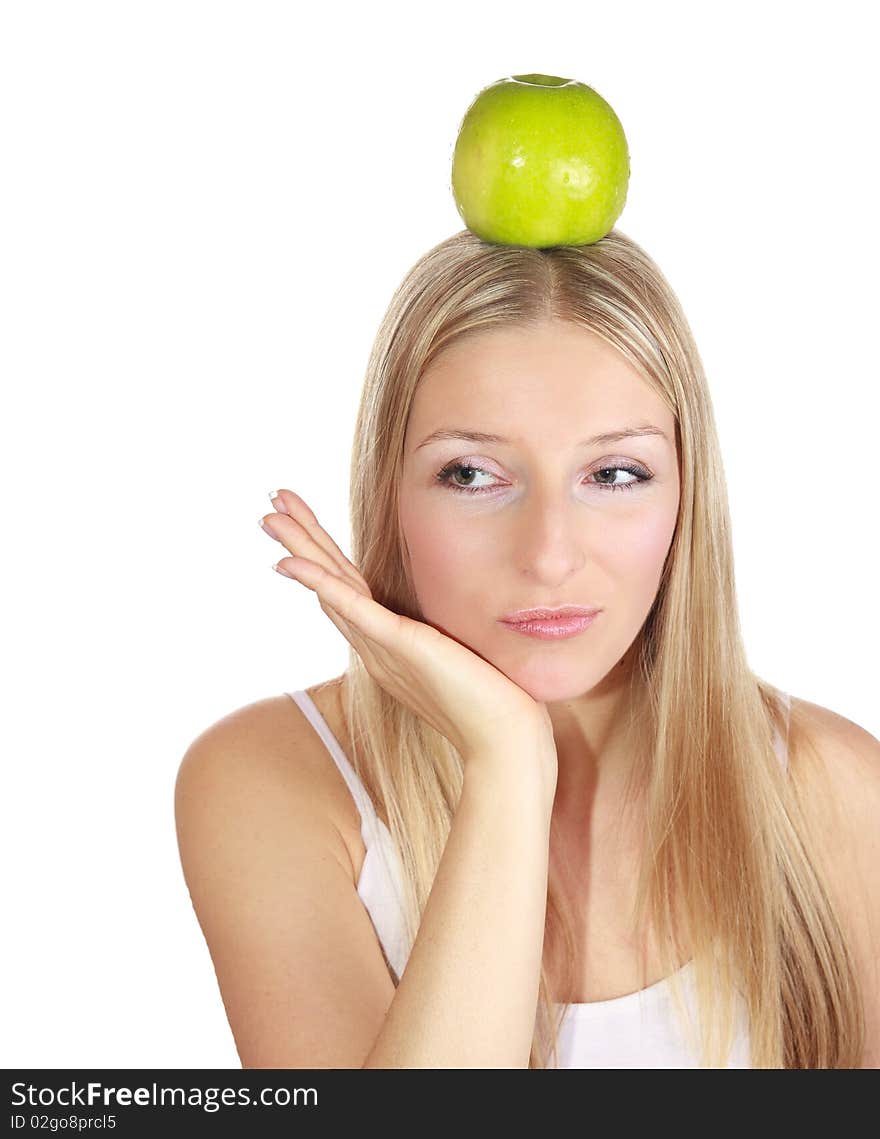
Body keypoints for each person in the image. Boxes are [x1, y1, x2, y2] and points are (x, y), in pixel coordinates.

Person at [174, 228, 879, 1069]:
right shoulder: (276, 782)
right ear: (388, 489)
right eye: (472, 474)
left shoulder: (831, 791)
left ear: (687, 496)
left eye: (613, 474)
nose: (548, 553)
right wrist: (507, 762)